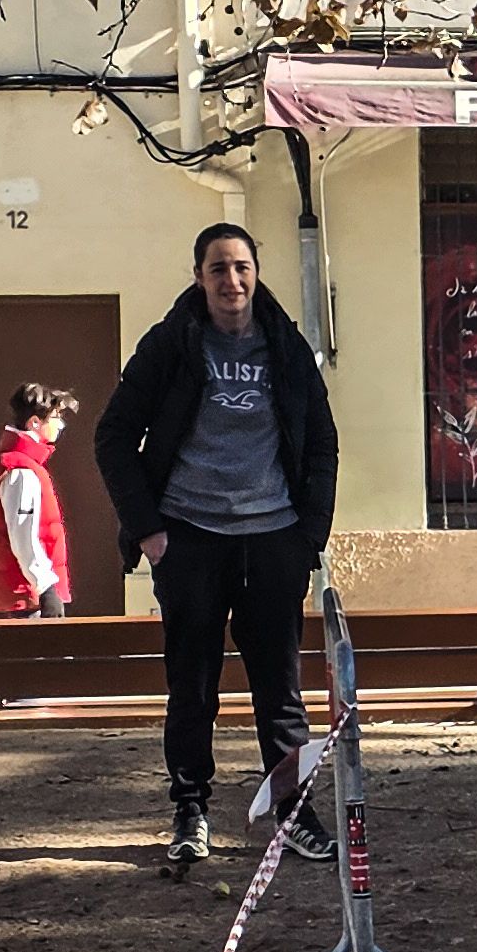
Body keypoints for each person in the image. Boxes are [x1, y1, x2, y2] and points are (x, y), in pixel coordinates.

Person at [94, 223, 338, 883]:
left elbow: (321, 443)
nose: (232, 281)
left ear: (256, 273)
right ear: (199, 277)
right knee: (193, 687)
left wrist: (306, 535)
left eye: (242, 268)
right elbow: (113, 436)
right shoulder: (172, 344)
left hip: (272, 541)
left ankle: (293, 814)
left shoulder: (285, 346)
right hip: (190, 539)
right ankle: (190, 811)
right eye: (218, 270)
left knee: (280, 691)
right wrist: (148, 531)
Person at [0, 381, 78, 620]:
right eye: (55, 417)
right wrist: (48, 588)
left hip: (25, 594)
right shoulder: (20, 470)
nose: (60, 425)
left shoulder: (11, 462)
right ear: (35, 422)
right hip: (30, 598)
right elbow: (24, 537)